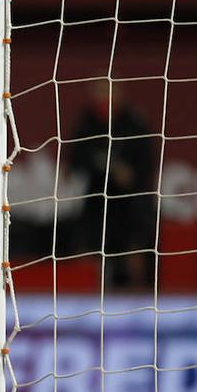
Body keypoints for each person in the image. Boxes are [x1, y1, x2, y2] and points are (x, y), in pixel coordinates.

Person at [67, 80, 157, 289]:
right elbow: (75, 161)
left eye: (108, 91)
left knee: (134, 252)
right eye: (99, 92)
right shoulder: (87, 123)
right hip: (97, 200)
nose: (104, 97)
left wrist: (128, 173)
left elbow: (145, 164)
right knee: (90, 249)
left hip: (129, 202)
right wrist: (99, 166)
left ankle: (138, 300)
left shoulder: (134, 122)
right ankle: (89, 299)